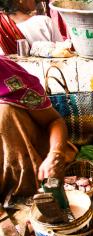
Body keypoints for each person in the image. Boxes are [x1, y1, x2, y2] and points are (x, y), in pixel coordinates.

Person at [0, 56, 76, 204]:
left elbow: (54, 121)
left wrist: (55, 155)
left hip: (36, 171)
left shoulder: (8, 77)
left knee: (4, 114)